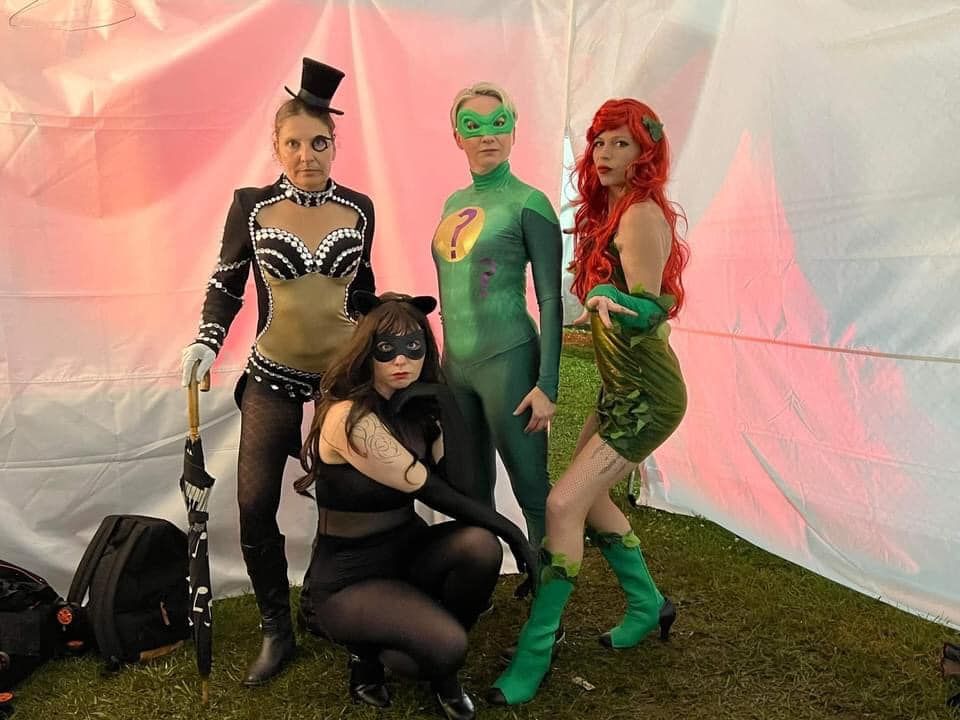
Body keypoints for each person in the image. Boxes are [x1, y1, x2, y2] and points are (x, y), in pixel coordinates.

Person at [178, 58, 375, 686]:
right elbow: (226, 283)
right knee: (254, 500)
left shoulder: (360, 208)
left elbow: (363, 292)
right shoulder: (251, 206)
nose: (306, 155)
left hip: (343, 377)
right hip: (272, 372)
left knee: (346, 497)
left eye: (318, 143)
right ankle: (275, 628)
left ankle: (322, 599)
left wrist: (392, 344)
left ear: (335, 145)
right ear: (276, 146)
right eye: (293, 143)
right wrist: (208, 341)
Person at [489, 98, 690, 705]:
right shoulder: (614, 210)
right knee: (590, 495)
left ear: (645, 153)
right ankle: (649, 605)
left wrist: (612, 297)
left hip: (648, 397)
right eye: (600, 142)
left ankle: (536, 651)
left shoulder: (641, 216)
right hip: (620, 389)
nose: (605, 153)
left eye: (621, 143)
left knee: (563, 503)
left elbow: (653, 308)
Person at [297, 291, 536, 720]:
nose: (401, 360)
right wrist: (516, 534)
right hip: (350, 579)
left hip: (405, 551)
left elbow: (464, 486)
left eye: (413, 347)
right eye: (386, 349)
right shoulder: (350, 417)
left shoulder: (418, 407)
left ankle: (426, 647)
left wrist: (443, 399)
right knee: (448, 647)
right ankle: (370, 654)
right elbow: (433, 491)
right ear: (366, 352)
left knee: (481, 547)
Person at [431, 82, 563, 549]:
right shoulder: (453, 203)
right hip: (456, 366)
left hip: (509, 361)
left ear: (513, 132)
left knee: (531, 488)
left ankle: (550, 588)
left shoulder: (530, 202)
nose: (488, 135)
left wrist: (547, 384)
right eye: (474, 126)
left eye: (498, 124)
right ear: (457, 137)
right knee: (471, 488)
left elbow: (551, 300)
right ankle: (480, 576)